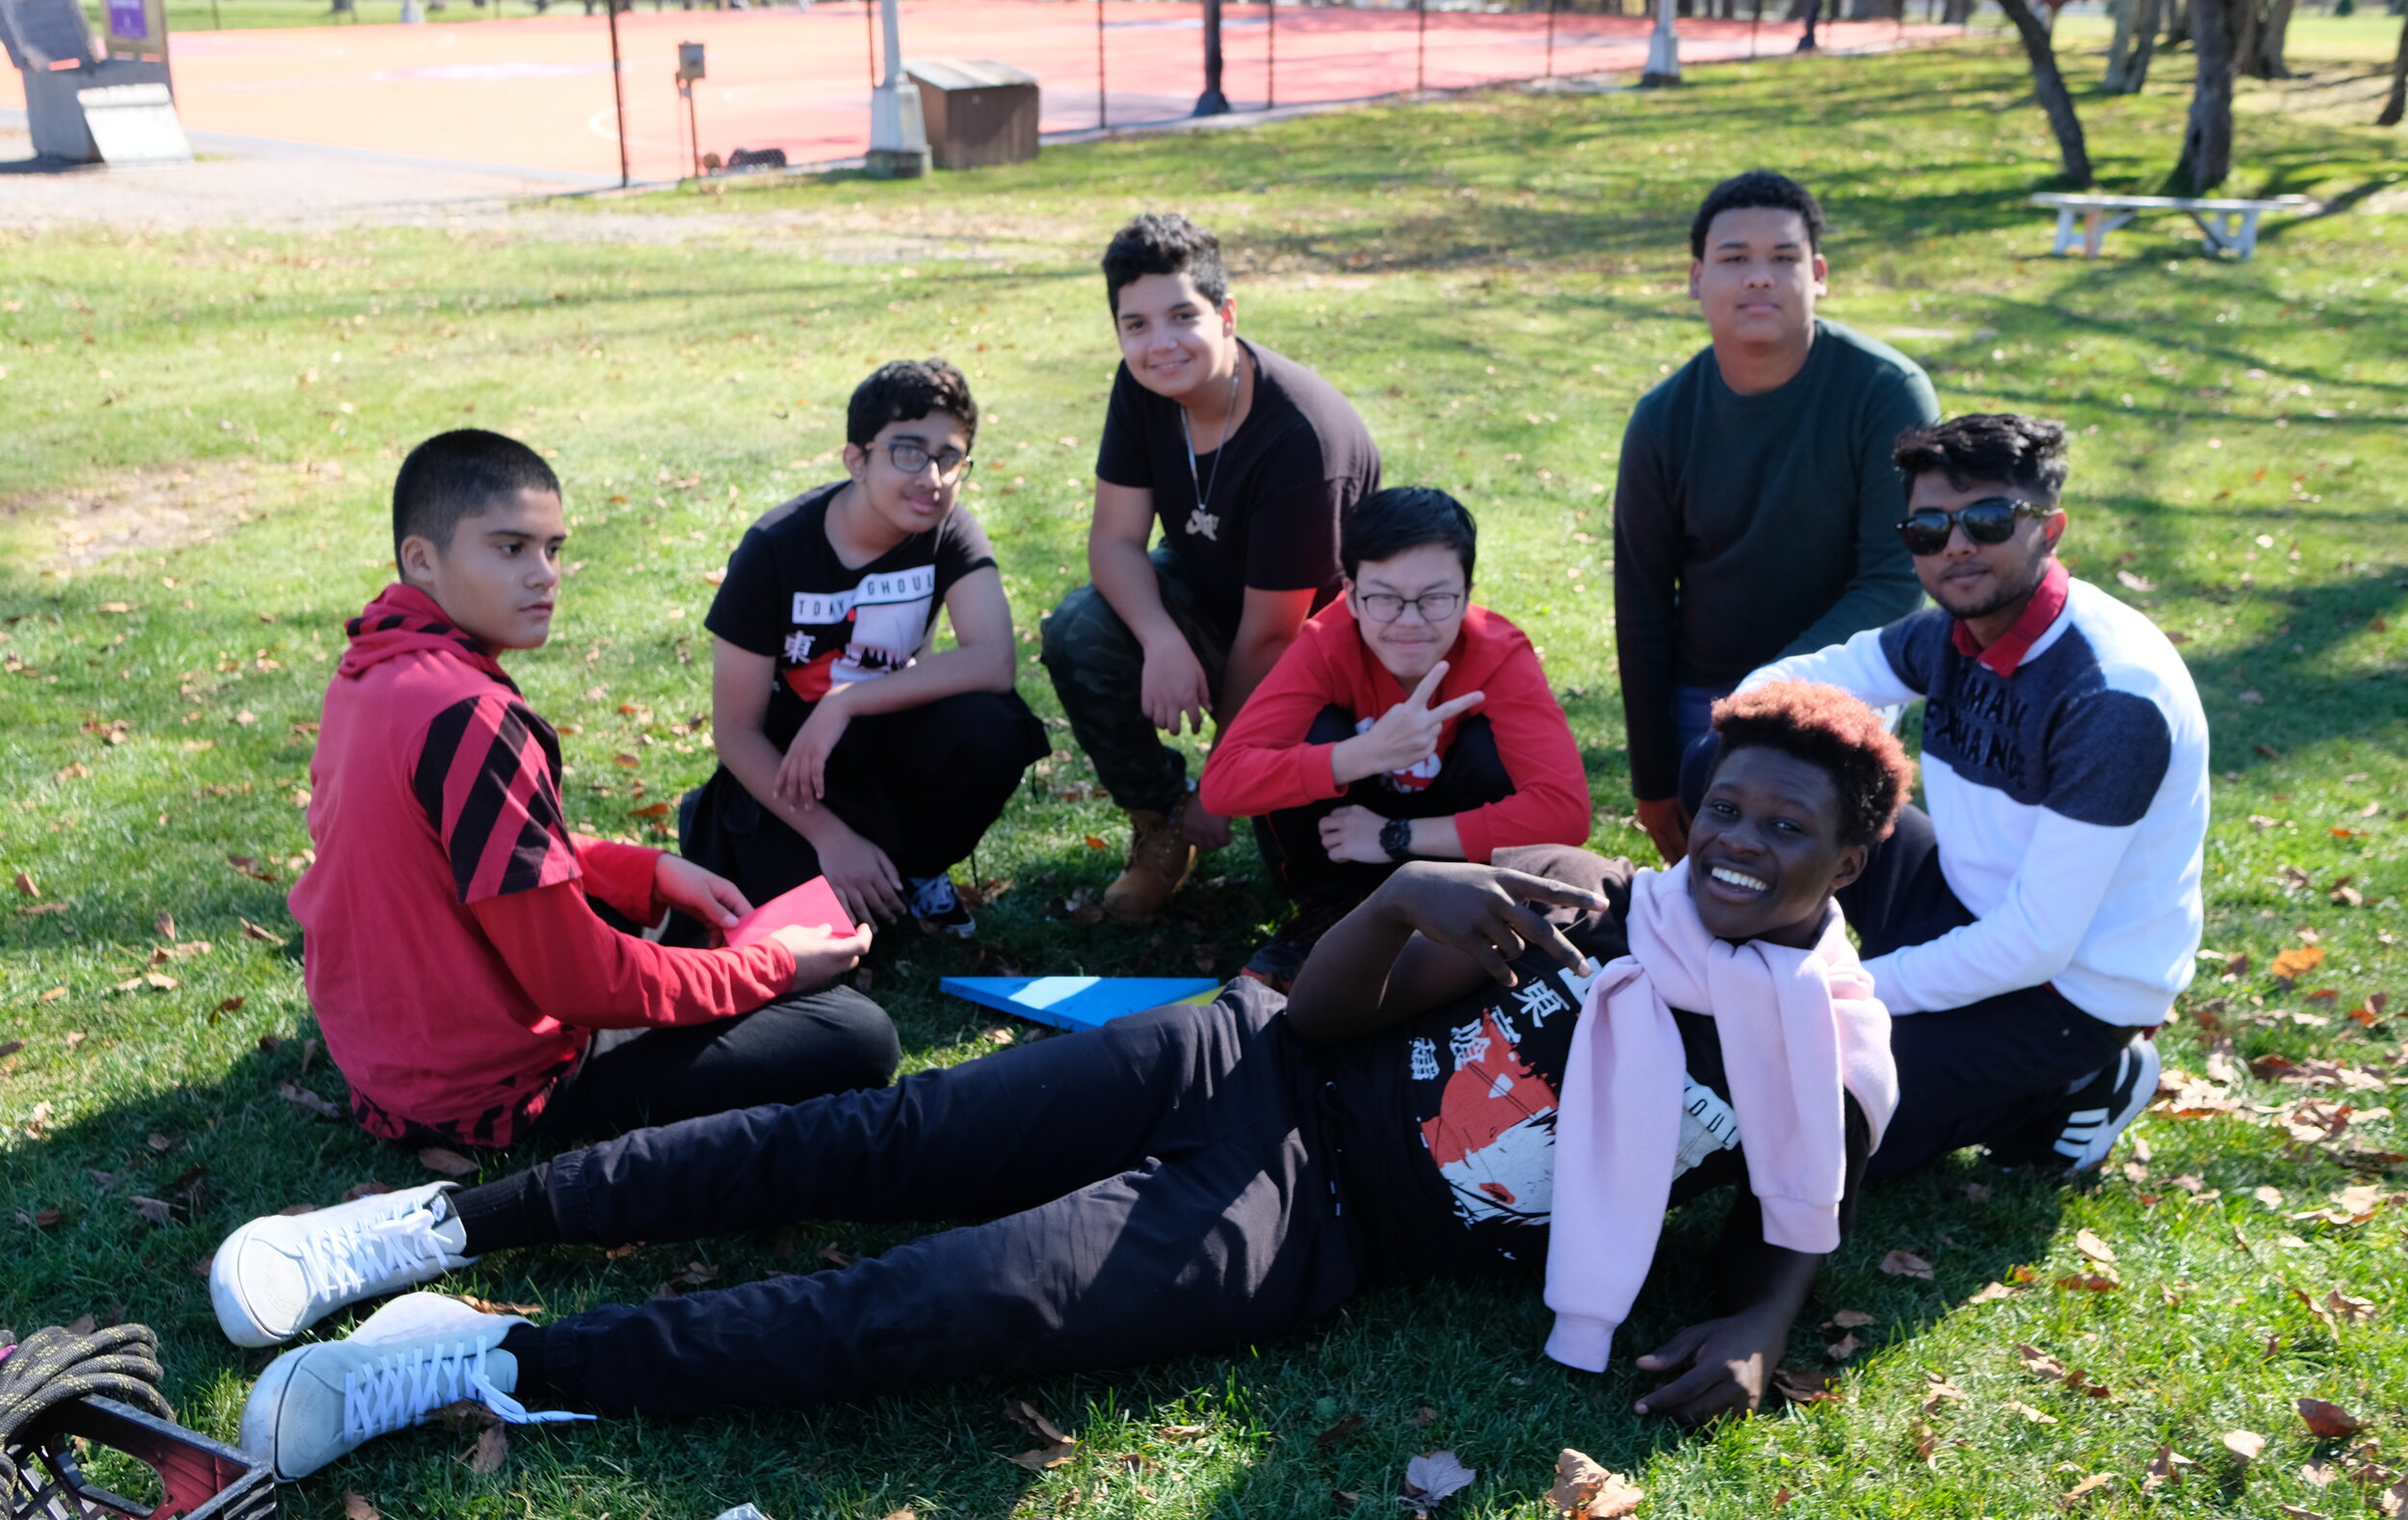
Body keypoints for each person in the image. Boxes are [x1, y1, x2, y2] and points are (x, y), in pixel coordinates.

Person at [221, 682, 1910, 1479]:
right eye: (1733, 810)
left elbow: (1798, 1203)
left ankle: (493, 1364)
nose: (1748, 848)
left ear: (1856, 854)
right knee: (869, 1138)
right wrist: (1402, 897)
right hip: (1247, 1052)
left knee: (949, 1300)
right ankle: (427, 1224)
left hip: (1321, 1220)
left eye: (1792, 829)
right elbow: (1318, 1021)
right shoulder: (1588, 895)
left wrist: (1761, 1325)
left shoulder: (1815, 1048)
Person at [278, 432, 896, 1163]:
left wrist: (651, 873)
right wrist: (777, 969)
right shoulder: (473, 718)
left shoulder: (372, 667)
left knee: (697, 929)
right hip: (485, 1091)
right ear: (422, 558)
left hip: (389, 1053)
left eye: (553, 548)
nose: (544, 575)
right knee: (855, 1033)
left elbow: (479, 848)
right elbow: (579, 982)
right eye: (510, 548)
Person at [1720, 412, 2210, 1181]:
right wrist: (1760, 740)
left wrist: (1837, 989)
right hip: (1963, 893)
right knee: (1717, 758)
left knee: (1818, 1119)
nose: (1956, 545)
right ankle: (1737, 966)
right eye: (1928, 527)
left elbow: (2035, 941)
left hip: (2068, 989)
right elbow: (1789, 684)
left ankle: (2082, 1081)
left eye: (1986, 519)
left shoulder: (2113, 695)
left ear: (2049, 529)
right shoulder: (1952, 631)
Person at [1041, 213, 1381, 922]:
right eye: (1134, 325)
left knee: (1307, 874)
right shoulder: (1144, 386)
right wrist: (1162, 638)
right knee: (1080, 630)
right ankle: (1163, 826)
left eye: (1181, 317)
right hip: (1215, 596)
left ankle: (1237, 812)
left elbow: (1273, 638)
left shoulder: (1300, 438)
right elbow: (1114, 541)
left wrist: (1222, 778)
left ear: (1226, 316)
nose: (1159, 344)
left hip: (1328, 652)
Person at [1615, 169, 1941, 867]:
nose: (1759, 277)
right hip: (1705, 694)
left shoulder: (1885, 392)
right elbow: (1642, 603)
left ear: (1818, 274)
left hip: (1846, 679)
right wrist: (1651, 779)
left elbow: (1893, 579)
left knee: (1819, 881)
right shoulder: (1662, 419)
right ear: (1697, 277)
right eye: (1735, 259)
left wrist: (1773, 691)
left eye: (1784, 258)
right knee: (1716, 904)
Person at [679, 359, 1048, 933]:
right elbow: (736, 733)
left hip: (885, 739)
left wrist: (844, 701)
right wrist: (829, 836)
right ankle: (744, 829)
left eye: (950, 458)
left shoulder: (948, 530)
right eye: (908, 451)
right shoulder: (774, 549)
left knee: (991, 726)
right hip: (793, 771)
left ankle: (921, 869)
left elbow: (993, 660)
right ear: (857, 459)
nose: (932, 478)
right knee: (816, 936)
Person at [1199, 486, 1592, 986]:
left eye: (1435, 598)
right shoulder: (1325, 642)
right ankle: (1327, 911)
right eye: (1384, 598)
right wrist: (1359, 755)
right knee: (1316, 735)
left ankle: (1468, 913)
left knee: (1487, 747)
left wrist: (1394, 837)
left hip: (1448, 858)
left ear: (1468, 592)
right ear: (1352, 594)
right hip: (1339, 844)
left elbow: (1566, 813)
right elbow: (1223, 785)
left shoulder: (1498, 653)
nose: (1410, 622)